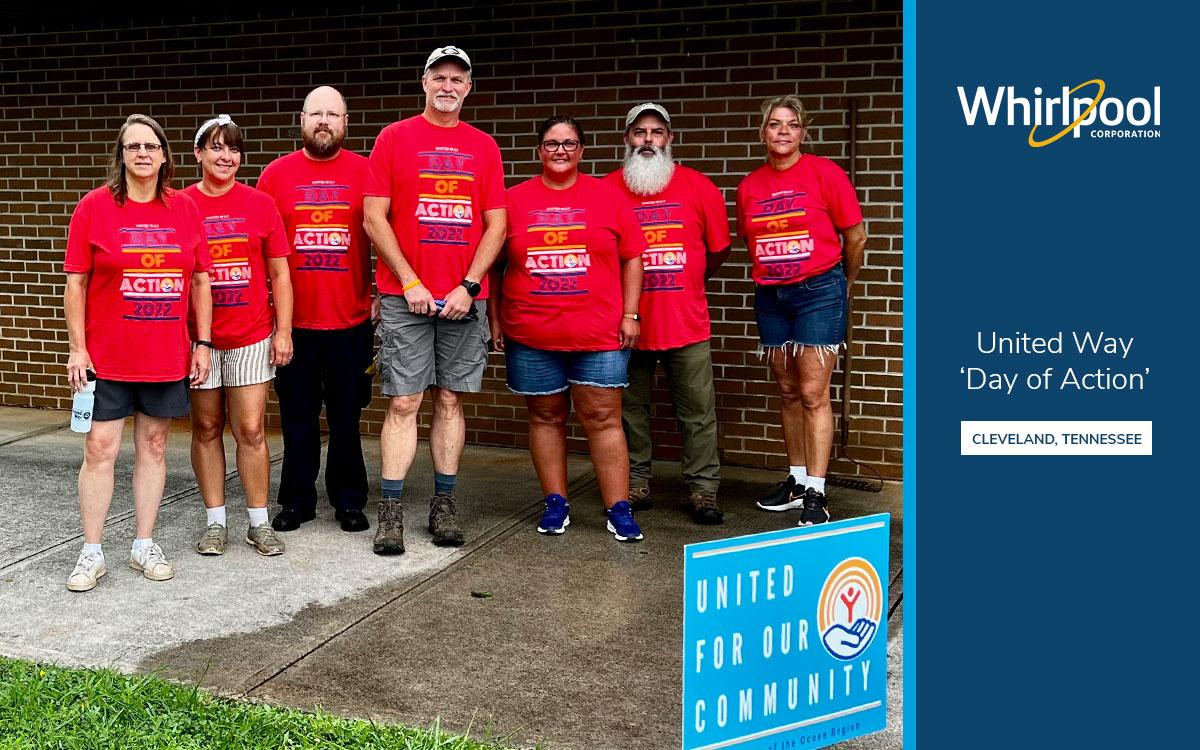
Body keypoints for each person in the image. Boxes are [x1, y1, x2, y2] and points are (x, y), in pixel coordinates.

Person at [363, 46, 506, 554]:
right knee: (404, 400)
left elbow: (497, 224)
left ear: (469, 88)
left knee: (450, 398)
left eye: (458, 79)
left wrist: (469, 286)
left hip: (465, 298)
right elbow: (373, 218)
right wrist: (408, 281)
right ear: (424, 81)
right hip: (406, 297)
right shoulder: (394, 138)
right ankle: (391, 511)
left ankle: (444, 505)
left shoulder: (484, 147)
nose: (448, 86)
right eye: (439, 76)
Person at [63, 114, 213, 591]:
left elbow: (200, 280)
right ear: (121, 155)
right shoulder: (93, 208)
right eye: (133, 147)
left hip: (164, 355)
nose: (142, 153)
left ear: (165, 155)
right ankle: (91, 552)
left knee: (153, 447)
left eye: (151, 146)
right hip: (106, 358)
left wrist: (202, 342)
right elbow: (76, 282)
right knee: (99, 447)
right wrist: (77, 349)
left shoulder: (185, 208)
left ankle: (143, 544)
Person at [489, 115, 647, 542]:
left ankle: (619, 507)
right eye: (552, 143)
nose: (560, 151)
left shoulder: (609, 197)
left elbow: (634, 255)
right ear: (539, 151)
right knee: (545, 417)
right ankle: (556, 502)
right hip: (532, 334)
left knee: (603, 418)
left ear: (582, 151)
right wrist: (495, 318)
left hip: (599, 334)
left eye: (570, 144)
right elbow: (495, 265)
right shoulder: (514, 200)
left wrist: (631, 314)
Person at [737, 95, 867, 525]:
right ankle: (795, 480)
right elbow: (749, 239)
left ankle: (817, 490)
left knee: (813, 393)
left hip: (819, 290)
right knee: (788, 391)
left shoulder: (824, 173)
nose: (783, 131)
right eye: (775, 124)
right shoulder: (749, 186)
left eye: (791, 124)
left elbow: (857, 237)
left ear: (802, 133)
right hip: (771, 295)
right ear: (763, 132)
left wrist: (841, 284)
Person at [603, 103, 731, 525]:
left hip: (686, 320)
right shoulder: (607, 190)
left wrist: (688, 282)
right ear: (627, 140)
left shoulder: (699, 187)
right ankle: (637, 482)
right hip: (625, 324)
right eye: (639, 132)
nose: (648, 140)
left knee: (697, 412)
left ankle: (702, 489)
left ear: (670, 139)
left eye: (657, 132)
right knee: (630, 410)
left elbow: (718, 251)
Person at [257, 87, 375, 533]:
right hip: (294, 324)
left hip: (351, 320)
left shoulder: (367, 172)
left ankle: (348, 500)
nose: (324, 121)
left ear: (345, 122)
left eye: (333, 114)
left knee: (347, 418)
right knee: (297, 418)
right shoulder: (275, 175)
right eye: (316, 114)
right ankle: (297, 501)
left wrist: (383, 289)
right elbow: (264, 251)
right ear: (301, 120)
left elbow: (386, 234)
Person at [185, 115, 292, 556]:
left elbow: (280, 271)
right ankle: (215, 523)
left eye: (233, 149)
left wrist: (283, 331)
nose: (226, 156)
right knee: (206, 426)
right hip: (197, 340)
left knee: (250, 429)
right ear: (198, 154)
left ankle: (258, 521)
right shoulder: (180, 203)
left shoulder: (260, 203)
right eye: (216, 147)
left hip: (251, 334)